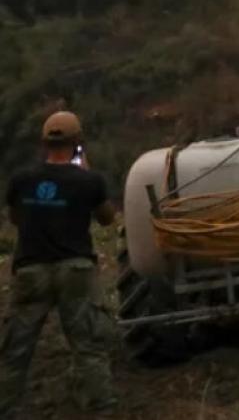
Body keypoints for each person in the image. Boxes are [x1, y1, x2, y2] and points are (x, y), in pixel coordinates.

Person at [1, 112, 117, 418]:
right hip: (75, 270)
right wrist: (86, 174)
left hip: (30, 271)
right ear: (78, 143)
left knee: (15, 350)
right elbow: (107, 219)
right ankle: (102, 408)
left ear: (43, 143)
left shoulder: (21, 180)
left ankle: (7, 410)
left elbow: (15, 218)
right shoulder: (90, 181)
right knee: (88, 345)